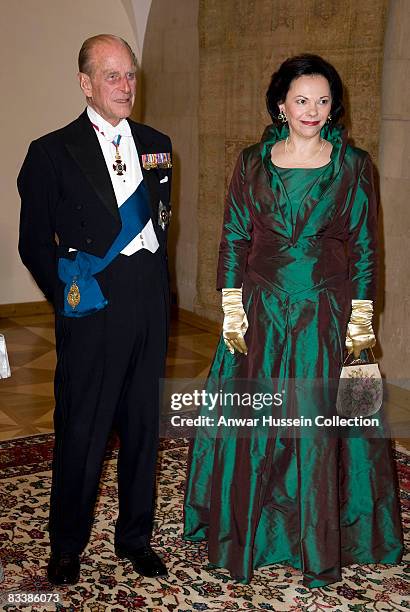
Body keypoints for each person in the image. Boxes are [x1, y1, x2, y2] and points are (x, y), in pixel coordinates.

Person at [183, 54, 403, 588]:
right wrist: (232, 307)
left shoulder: (353, 166)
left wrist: (361, 322)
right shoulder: (251, 162)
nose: (313, 110)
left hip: (321, 318)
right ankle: (250, 532)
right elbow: (234, 235)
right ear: (281, 104)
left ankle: (319, 536)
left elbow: (364, 248)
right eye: (302, 100)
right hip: (257, 315)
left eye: (323, 101)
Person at [18, 34, 172, 585]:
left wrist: (161, 297)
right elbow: (33, 242)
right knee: (82, 430)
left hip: (148, 306)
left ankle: (135, 538)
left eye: (130, 74)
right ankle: (66, 545)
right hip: (95, 306)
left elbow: (160, 224)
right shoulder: (51, 152)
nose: (126, 86)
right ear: (85, 84)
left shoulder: (157, 142)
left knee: (142, 427)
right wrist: (70, 297)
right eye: (112, 76)